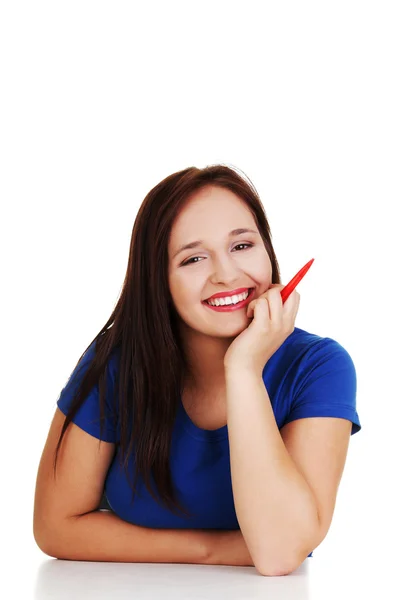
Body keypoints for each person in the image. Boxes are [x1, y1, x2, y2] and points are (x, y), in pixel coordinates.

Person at [33, 164, 361, 575]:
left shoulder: (319, 366)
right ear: (158, 280)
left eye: (242, 246)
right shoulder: (118, 359)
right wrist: (218, 550)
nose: (226, 274)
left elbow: (277, 554)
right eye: (193, 258)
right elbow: (54, 528)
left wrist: (243, 369)